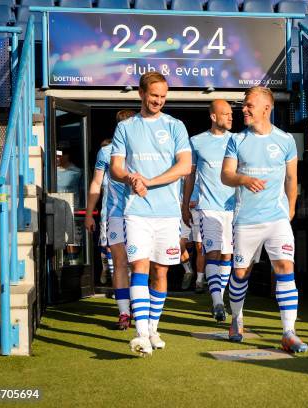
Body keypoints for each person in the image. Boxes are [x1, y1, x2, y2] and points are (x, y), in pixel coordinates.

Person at [110, 72, 192, 356]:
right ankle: (141, 334)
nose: (158, 100)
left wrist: (149, 180)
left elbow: (184, 166)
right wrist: (131, 177)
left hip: (168, 213)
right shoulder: (126, 128)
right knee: (140, 269)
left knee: (161, 271)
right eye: (154, 95)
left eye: (163, 96)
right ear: (141, 94)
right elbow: (115, 167)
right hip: (136, 212)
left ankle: (153, 327)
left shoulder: (175, 126)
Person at [221, 86, 308, 353]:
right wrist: (244, 179)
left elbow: (292, 178)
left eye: (249, 105)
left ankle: (288, 332)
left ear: (266, 109)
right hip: (246, 219)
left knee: (285, 268)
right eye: (244, 105)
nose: (243, 109)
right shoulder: (237, 140)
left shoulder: (285, 140)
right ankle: (236, 319)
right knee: (240, 273)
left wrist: (290, 208)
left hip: (277, 218)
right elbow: (226, 175)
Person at [184, 99, 235, 322]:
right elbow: (190, 175)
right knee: (211, 253)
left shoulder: (238, 140)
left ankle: (220, 298)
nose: (230, 117)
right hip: (208, 209)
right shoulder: (196, 142)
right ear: (213, 116)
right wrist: (185, 204)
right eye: (225, 114)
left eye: (231, 113)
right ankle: (216, 303)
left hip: (234, 209)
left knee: (227, 255)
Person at [85, 109, 135, 330]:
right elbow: (96, 184)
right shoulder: (106, 152)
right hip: (114, 214)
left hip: (142, 214)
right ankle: (124, 312)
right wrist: (89, 213)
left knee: (142, 265)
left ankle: (140, 308)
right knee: (120, 263)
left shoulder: (146, 148)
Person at [179, 179, 205, 292]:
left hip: (199, 210)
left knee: (200, 247)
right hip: (180, 209)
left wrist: (199, 202)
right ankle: (188, 270)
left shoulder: (202, 165)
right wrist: (183, 204)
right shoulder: (177, 165)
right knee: (178, 244)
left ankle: (199, 280)